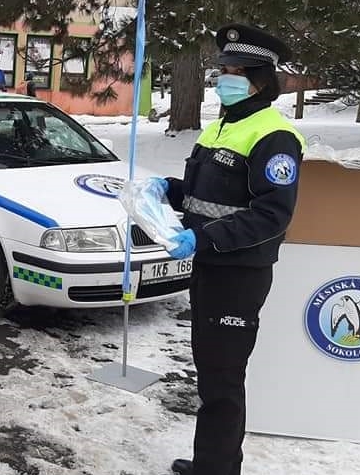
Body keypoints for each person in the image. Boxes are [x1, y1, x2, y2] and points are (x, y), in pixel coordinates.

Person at [153, 24, 306, 475]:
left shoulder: (274, 136)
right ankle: (211, 462)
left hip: (239, 273)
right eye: (224, 69)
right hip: (209, 266)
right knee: (210, 370)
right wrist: (169, 190)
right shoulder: (224, 125)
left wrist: (203, 238)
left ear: (261, 79)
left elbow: (271, 215)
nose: (226, 78)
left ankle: (218, 470)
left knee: (223, 379)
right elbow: (209, 196)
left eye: (237, 71)